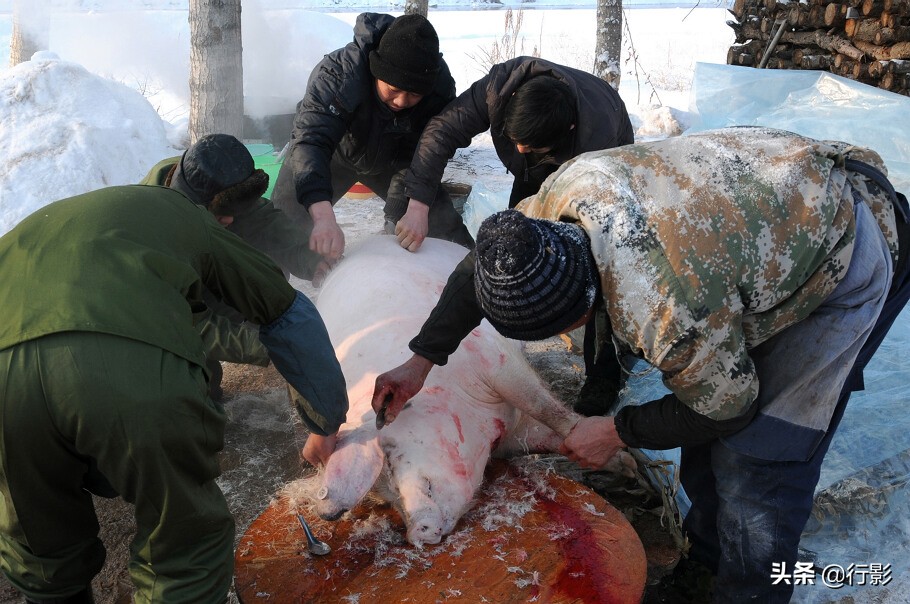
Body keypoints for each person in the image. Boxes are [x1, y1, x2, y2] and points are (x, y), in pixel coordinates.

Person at [370, 127, 910, 602]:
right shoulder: (550, 217)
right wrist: (421, 361)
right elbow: (477, 271)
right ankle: (706, 563)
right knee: (706, 438)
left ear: (584, 306)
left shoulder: (664, 303)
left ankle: (751, 591)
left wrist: (616, 431)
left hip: (846, 244)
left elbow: (726, 410)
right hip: (757, 217)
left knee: (759, 459)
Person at [0, 173, 349, 601]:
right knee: (183, 547)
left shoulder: (69, 215)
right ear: (214, 210)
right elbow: (287, 315)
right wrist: (324, 419)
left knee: (41, 541)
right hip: (124, 377)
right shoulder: (192, 218)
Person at [397, 55, 636, 416]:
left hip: (594, 166)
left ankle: (604, 372)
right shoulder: (501, 87)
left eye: (530, 147)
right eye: (514, 141)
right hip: (540, 163)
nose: (519, 151)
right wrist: (419, 201)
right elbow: (442, 130)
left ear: (566, 131)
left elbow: (594, 238)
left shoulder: (595, 143)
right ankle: (514, 314)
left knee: (601, 264)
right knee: (509, 252)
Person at [270, 12, 473, 268]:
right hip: (333, 155)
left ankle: (477, 289)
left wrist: (408, 206)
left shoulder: (438, 86)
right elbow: (311, 142)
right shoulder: (338, 74)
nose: (401, 101)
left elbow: (428, 150)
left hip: (396, 161)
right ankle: (273, 295)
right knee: (278, 227)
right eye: (393, 90)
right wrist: (322, 215)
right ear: (376, 72)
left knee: (447, 231)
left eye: (413, 95)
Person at [142, 133, 328, 400]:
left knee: (269, 281)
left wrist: (310, 258)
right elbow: (185, 323)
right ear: (190, 204)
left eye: (234, 210)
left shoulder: (217, 182)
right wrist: (264, 347)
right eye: (219, 213)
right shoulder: (154, 231)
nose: (230, 219)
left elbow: (264, 220)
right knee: (192, 390)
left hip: (208, 270)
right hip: (169, 311)